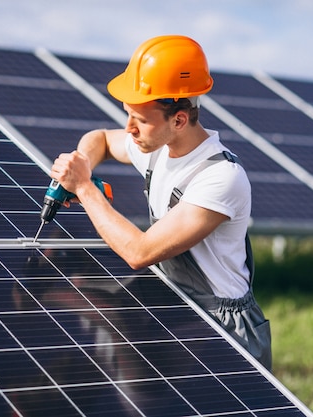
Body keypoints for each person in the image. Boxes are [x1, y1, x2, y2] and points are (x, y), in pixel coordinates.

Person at [51, 35, 272, 370]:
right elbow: (99, 139)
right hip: (176, 301)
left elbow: (139, 253)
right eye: (127, 115)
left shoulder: (220, 177)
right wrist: (80, 161)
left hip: (222, 325)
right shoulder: (155, 147)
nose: (129, 129)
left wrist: (84, 186)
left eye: (139, 119)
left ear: (179, 120)